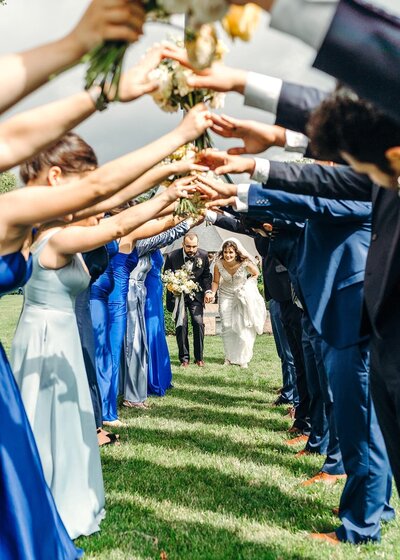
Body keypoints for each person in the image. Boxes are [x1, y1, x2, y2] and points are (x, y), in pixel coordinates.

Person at [123, 220, 192, 408]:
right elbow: (167, 235)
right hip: (139, 291)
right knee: (140, 338)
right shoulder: (140, 241)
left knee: (150, 335)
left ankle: (154, 377)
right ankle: (142, 384)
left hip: (148, 292)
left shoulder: (148, 241)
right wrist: (188, 220)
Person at [211, 238, 265, 368]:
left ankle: (243, 358)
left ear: (236, 252)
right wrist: (212, 293)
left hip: (241, 295)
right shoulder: (218, 264)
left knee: (242, 325)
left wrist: (246, 286)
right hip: (225, 294)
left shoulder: (245, 263)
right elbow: (216, 282)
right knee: (226, 324)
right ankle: (229, 357)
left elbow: (256, 274)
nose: (228, 255)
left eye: (231, 252)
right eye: (225, 252)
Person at [164, 233, 212, 367]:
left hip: (195, 296)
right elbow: (166, 276)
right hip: (178, 296)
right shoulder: (172, 256)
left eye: (194, 246)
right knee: (181, 325)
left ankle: (199, 358)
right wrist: (174, 286)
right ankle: (184, 359)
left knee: (198, 323)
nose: (191, 250)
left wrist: (208, 291)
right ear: (183, 245)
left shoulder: (203, 255)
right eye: (188, 246)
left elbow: (207, 276)